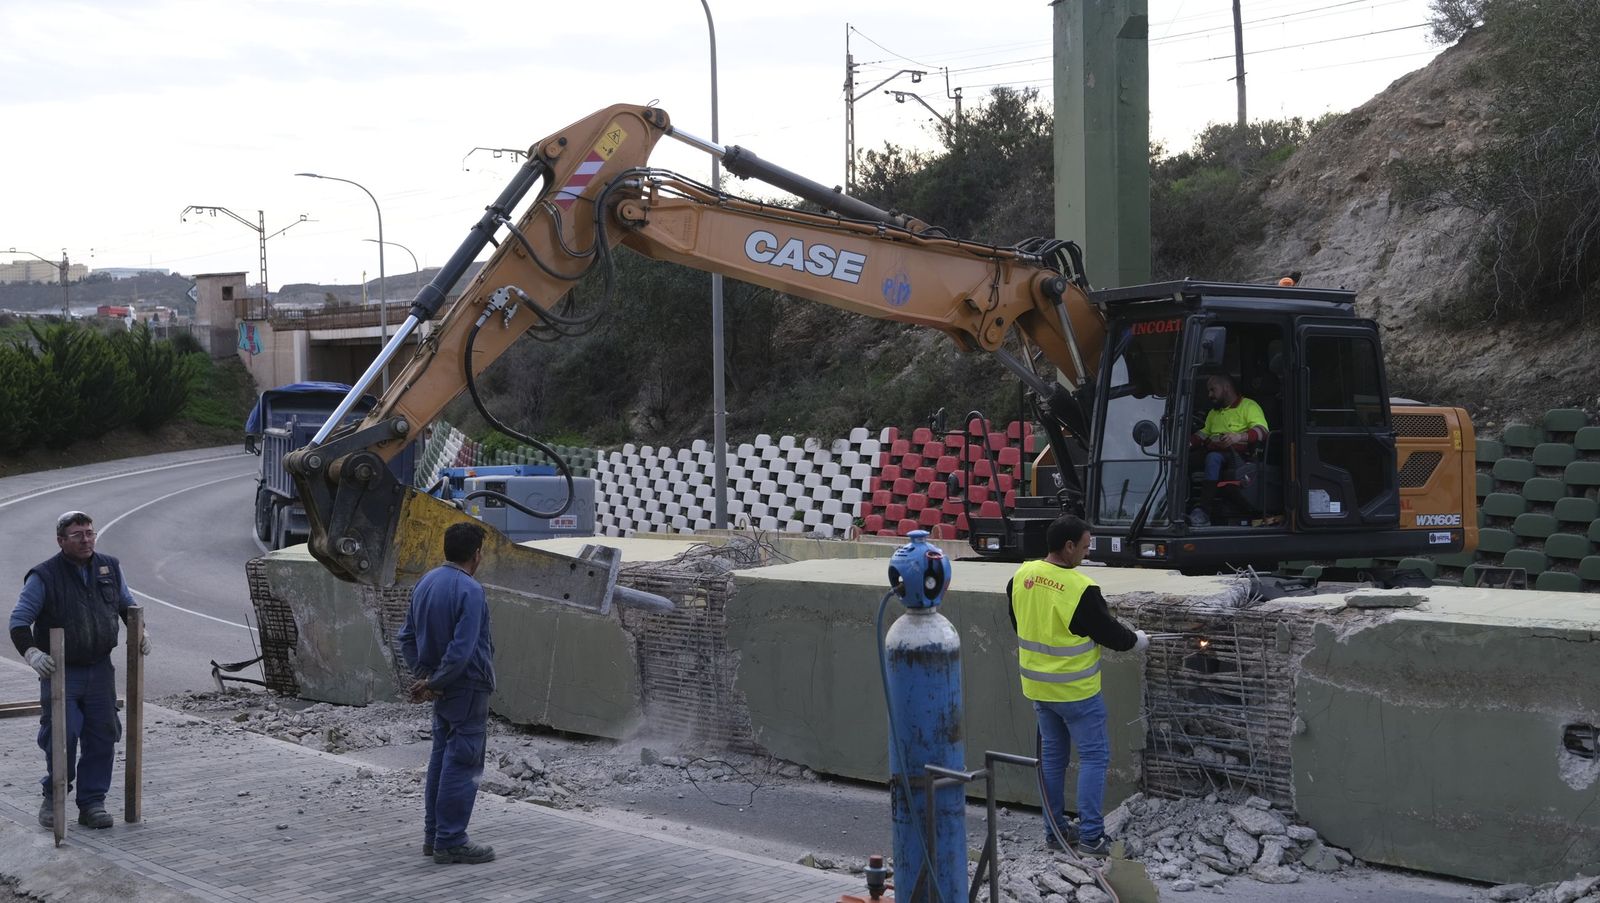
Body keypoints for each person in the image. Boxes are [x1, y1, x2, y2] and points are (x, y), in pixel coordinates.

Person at [1008, 515, 1147, 857]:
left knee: (1053, 760)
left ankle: (1055, 832)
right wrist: (1137, 641)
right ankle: (1091, 837)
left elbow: (1019, 622)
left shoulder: (1021, 576)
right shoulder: (1080, 589)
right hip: (1076, 692)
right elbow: (1111, 634)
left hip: (1038, 688)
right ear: (1068, 546)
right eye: (1085, 547)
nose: (1087, 553)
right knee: (1094, 758)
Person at [9, 511, 150, 830]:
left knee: (103, 734)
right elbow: (19, 622)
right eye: (77, 535)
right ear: (61, 540)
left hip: (100, 670)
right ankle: (54, 795)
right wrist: (32, 653)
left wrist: (141, 631)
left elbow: (127, 606)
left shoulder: (109, 567)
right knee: (64, 733)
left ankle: (92, 803)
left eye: (89, 533)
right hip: (62, 672)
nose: (86, 540)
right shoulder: (44, 576)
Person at [398, 522, 497, 865]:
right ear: (476, 555)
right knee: (463, 760)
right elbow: (463, 649)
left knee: (441, 759)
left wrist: (425, 678)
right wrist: (435, 681)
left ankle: (434, 836)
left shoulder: (426, 582)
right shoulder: (471, 590)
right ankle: (452, 840)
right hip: (466, 687)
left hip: (441, 690)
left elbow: (406, 637)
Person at [1188, 374, 1269, 526]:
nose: (1209, 395)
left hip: (1239, 456)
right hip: (1215, 450)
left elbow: (1262, 431)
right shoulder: (1214, 413)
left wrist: (1239, 437)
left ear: (1226, 387)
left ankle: (1203, 512)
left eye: (1213, 390)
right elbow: (1203, 434)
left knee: (1213, 458)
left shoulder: (1249, 406)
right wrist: (1188, 444)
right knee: (1184, 460)